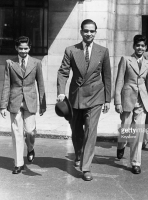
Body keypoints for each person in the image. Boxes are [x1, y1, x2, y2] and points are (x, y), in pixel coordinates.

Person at [57, 19, 111, 181]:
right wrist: (61, 92)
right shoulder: (71, 50)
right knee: (76, 131)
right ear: (81, 32)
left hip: (96, 96)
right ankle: (79, 154)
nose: (89, 34)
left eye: (92, 31)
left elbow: (107, 76)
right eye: (86, 31)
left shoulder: (103, 51)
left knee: (90, 130)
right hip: (76, 97)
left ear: (96, 32)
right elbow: (63, 72)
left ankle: (86, 167)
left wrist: (108, 99)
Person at [0, 36, 46, 174]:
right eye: (21, 48)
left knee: (30, 131)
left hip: (30, 101)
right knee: (17, 132)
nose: (23, 51)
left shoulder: (36, 63)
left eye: (26, 48)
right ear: (16, 48)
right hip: (15, 101)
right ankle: (18, 164)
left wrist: (43, 104)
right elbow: (6, 84)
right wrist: (3, 105)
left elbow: (41, 84)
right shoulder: (10, 63)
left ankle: (30, 148)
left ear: (30, 48)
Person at [114, 35, 148, 174]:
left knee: (137, 133)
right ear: (134, 46)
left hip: (142, 101)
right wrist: (117, 101)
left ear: (146, 48)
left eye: (142, 46)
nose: (140, 48)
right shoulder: (126, 60)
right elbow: (119, 81)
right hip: (127, 99)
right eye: (138, 45)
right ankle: (121, 145)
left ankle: (135, 163)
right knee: (126, 129)